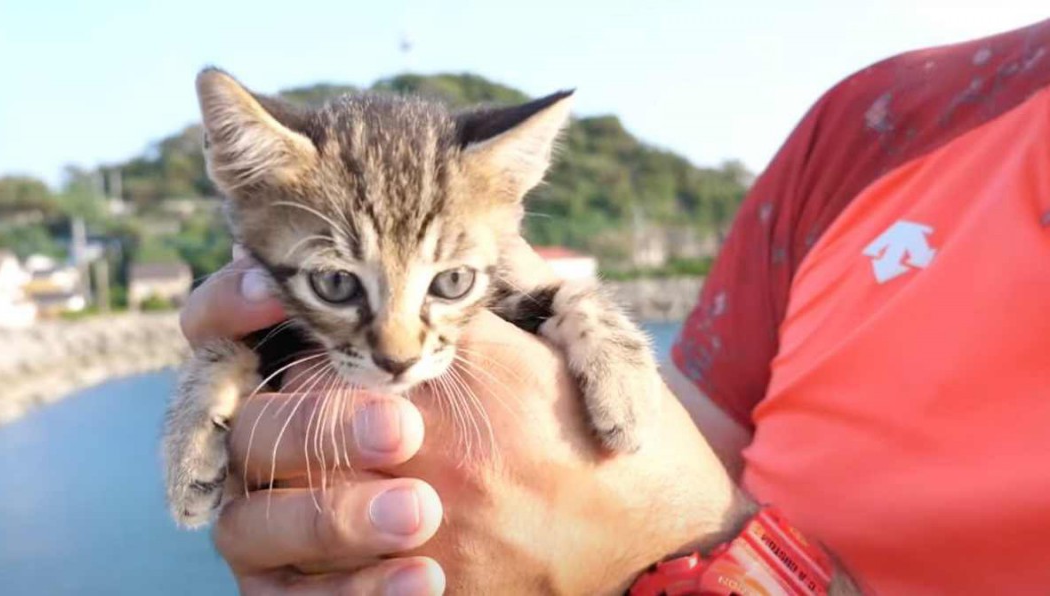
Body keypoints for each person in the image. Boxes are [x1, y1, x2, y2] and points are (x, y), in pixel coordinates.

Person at [180, 18, 1050, 595]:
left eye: (448, 285)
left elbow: (629, 459)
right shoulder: (876, 126)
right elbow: (671, 440)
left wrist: (645, 549)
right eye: (338, 283)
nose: (402, 346)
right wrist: (230, 374)